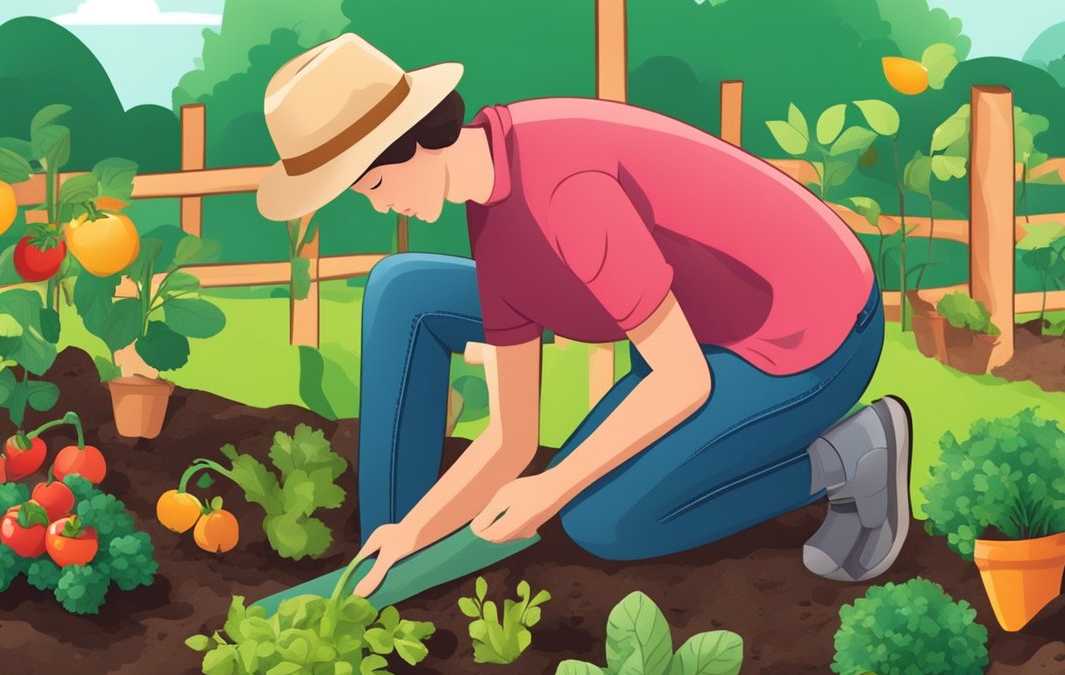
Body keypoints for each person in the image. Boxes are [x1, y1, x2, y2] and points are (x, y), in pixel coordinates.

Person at [254, 34, 911, 600]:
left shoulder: (563, 192)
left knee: (605, 522)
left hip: (805, 334)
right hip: (697, 327)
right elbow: (512, 439)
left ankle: (847, 457)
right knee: (404, 289)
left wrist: (552, 487)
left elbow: (683, 382)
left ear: (411, 145)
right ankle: (389, 570)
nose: (379, 208)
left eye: (371, 187)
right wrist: (415, 530)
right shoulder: (489, 209)